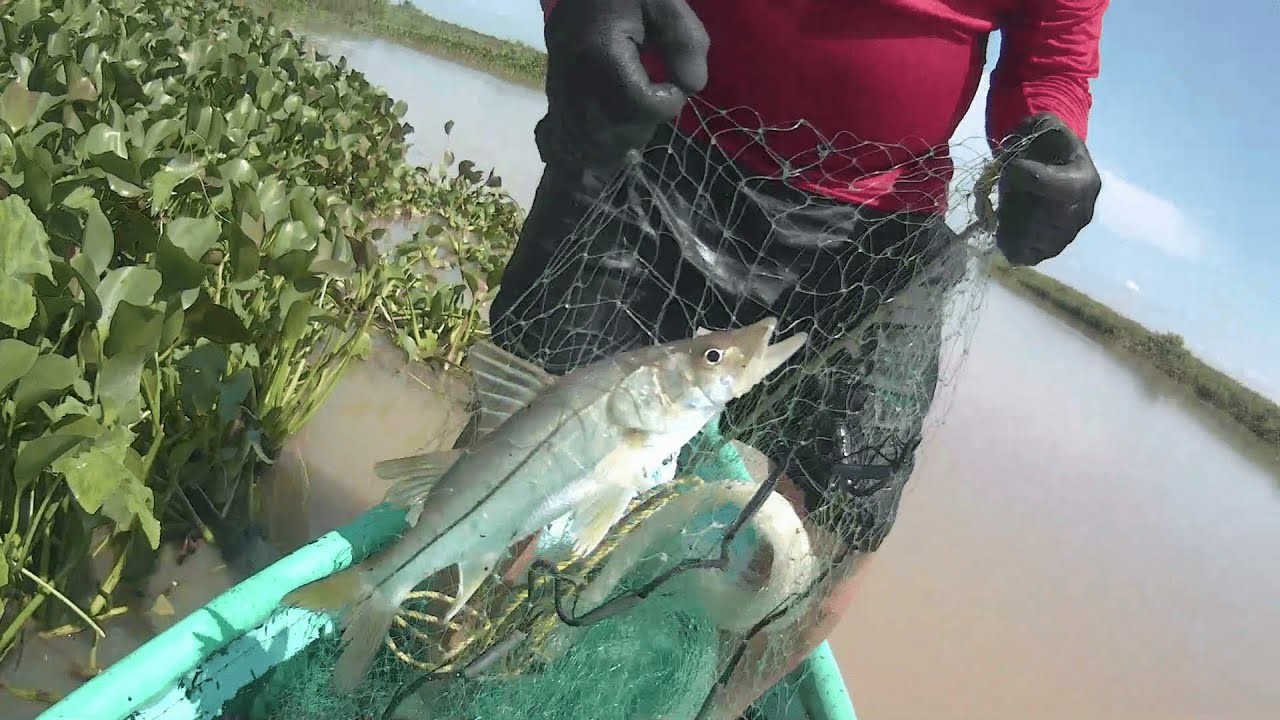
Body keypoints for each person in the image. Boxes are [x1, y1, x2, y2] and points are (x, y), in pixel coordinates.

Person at [488, 0, 1107, 716]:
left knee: (836, 539)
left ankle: (704, 708)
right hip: (659, 132)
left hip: (879, 224)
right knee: (520, 448)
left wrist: (1052, 129)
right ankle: (447, 664)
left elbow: (1052, 61)